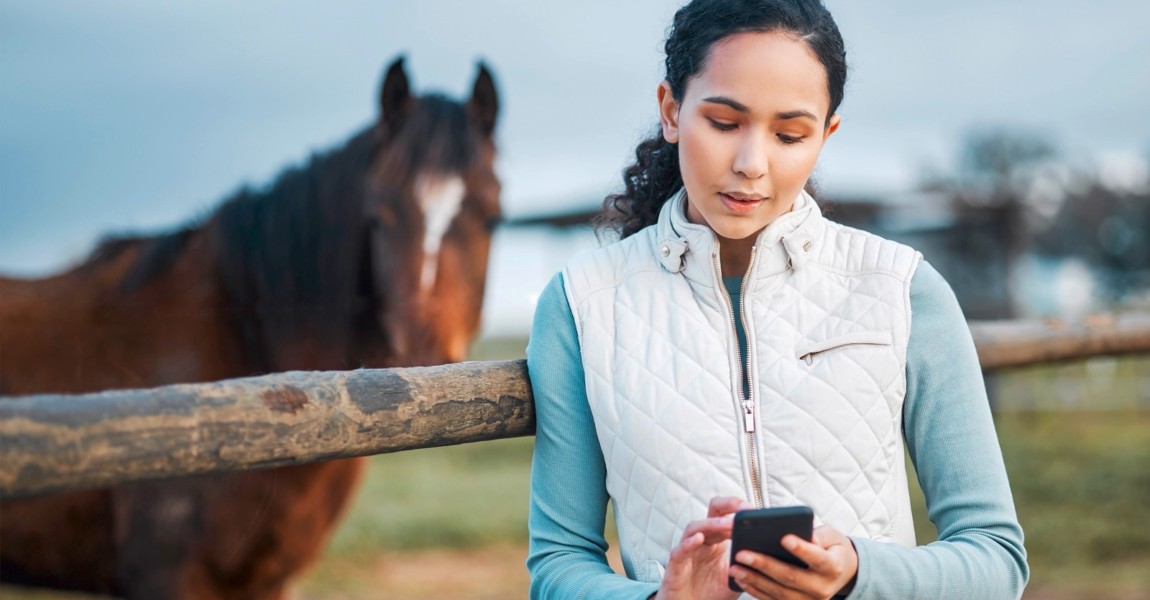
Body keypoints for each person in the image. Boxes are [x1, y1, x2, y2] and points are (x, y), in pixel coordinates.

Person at [526, 0, 1029, 598]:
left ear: (825, 134)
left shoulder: (902, 290)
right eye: (722, 123)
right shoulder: (582, 306)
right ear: (670, 110)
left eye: (790, 134)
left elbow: (997, 560)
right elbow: (558, 565)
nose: (751, 165)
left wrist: (859, 574)